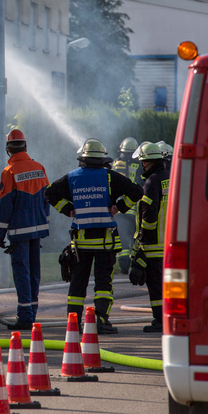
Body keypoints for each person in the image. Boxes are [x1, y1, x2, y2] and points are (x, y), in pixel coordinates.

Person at [45, 138, 143, 334]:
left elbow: (49, 193)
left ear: (82, 159)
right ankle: (100, 320)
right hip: (105, 242)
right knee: (103, 284)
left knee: (78, 284)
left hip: (80, 243)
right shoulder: (109, 177)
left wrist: (68, 209)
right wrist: (120, 207)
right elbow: (137, 191)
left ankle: (73, 323)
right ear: (102, 160)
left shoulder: (72, 177)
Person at [0, 129, 50, 331]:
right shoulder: (40, 168)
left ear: (8, 149)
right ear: (25, 146)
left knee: (22, 273)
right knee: (35, 272)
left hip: (19, 231)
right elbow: (47, 200)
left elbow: (6, 206)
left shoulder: (9, 172)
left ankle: (25, 317)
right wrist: (45, 223)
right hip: (38, 228)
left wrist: (0, 233)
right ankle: (32, 313)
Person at [129, 142, 170, 333]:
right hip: (172, 243)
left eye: (143, 163)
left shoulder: (151, 182)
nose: (142, 166)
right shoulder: (172, 178)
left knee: (155, 284)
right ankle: (169, 317)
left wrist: (143, 240)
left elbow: (149, 214)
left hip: (154, 244)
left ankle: (160, 319)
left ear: (147, 163)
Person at [110, 137, 141, 274]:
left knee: (122, 237)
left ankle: (123, 265)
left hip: (118, 208)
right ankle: (135, 263)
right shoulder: (139, 166)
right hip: (134, 209)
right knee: (135, 236)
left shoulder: (115, 164)